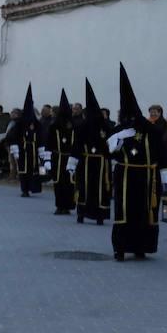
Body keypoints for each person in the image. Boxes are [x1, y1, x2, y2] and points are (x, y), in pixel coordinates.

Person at [108, 65, 167, 261]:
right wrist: (119, 137)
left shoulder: (152, 131)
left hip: (149, 178)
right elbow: (109, 151)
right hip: (125, 177)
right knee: (124, 212)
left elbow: (162, 154)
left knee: (146, 213)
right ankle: (120, 248)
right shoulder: (120, 130)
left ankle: (142, 247)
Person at [68, 80, 112, 226]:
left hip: (101, 164)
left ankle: (100, 215)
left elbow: (112, 143)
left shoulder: (105, 128)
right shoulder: (82, 127)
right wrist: (72, 162)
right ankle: (82, 213)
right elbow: (77, 145)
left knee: (100, 190)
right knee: (84, 188)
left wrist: (112, 158)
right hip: (86, 162)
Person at [8, 86, 43, 198]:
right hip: (23, 149)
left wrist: (41, 149)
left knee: (33, 169)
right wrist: (15, 149)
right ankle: (24, 189)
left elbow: (41, 136)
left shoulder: (36, 123)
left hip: (33, 150)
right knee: (23, 170)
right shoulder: (19, 124)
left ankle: (33, 187)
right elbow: (14, 137)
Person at [45, 89, 76, 215]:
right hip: (57, 157)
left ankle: (68, 205)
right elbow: (49, 142)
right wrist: (47, 159)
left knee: (69, 183)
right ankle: (59, 205)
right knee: (58, 182)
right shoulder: (54, 126)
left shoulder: (74, 126)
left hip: (70, 158)